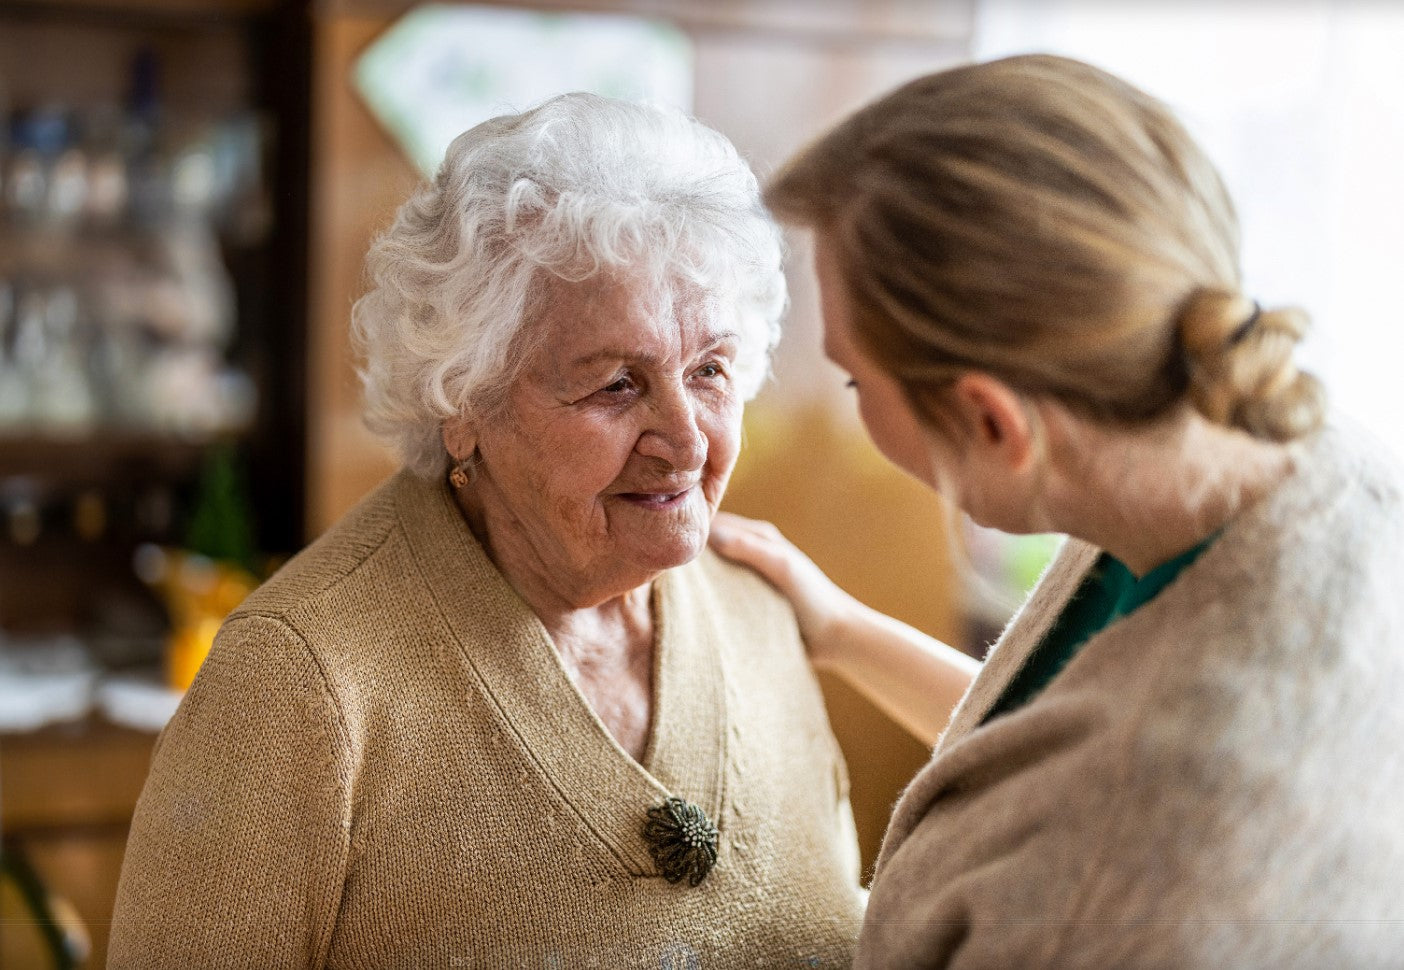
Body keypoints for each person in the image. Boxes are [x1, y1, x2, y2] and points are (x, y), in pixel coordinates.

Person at [108, 93, 864, 968]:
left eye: (711, 370)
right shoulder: (299, 685)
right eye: (617, 383)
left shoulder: (761, 614)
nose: (687, 440)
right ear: (462, 403)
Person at [710, 54, 1404, 968]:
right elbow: (1060, 744)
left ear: (993, 421)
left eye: (852, 378)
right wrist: (839, 628)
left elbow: (1098, 805)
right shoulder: (1254, 448)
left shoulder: (1138, 869)